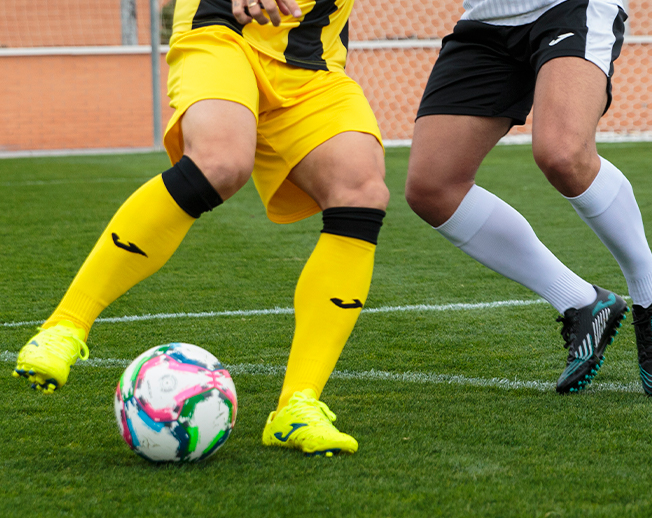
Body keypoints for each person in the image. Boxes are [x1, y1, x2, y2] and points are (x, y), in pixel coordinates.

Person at [13, 0, 390, 455]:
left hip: (311, 58)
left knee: (362, 190)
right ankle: (66, 327)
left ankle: (297, 405)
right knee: (220, 161)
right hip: (222, 28)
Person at [405, 0, 652, 396]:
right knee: (432, 188)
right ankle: (581, 302)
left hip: (566, 6)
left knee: (562, 153)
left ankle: (651, 294)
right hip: (487, 21)